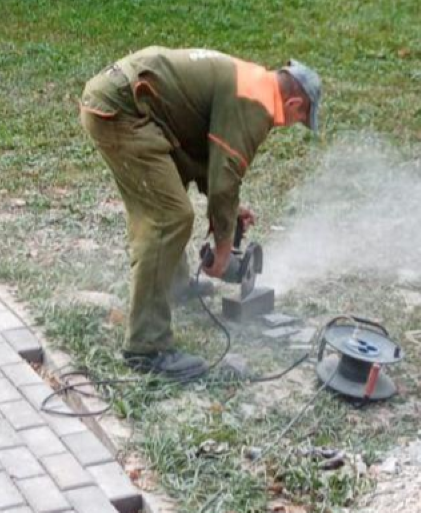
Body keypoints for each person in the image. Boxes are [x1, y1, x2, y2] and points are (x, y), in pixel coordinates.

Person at [80, 47, 322, 378]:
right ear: (295, 105)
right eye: (300, 120)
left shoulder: (252, 81)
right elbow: (224, 179)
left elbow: (208, 155)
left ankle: (176, 285)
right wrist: (223, 251)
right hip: (124, 111)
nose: (293, 124)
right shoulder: (257, 103)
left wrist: (231, 211)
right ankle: (146, 347)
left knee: (169, 202)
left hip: (130, 105)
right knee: (168, 217)